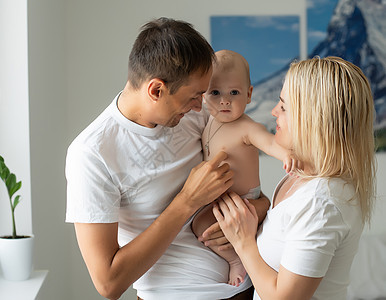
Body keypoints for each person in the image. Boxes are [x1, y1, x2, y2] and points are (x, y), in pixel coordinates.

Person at [65, 18, 270, 300]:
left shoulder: (195, 115)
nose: (201, 106)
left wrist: (259, 207)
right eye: (193, 97)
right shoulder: (92, 154)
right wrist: (187, 201)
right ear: (156, 90)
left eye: (203, 93)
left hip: (247, 289)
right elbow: (108, 283)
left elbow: (248, 186)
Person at [204, 56, 376, 300]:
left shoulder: (323, 201)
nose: (274, 111)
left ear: (314, 119)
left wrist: (242, 243)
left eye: (283, 107)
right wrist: (258, 206)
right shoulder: (298, 177)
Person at [191, 49, 298, 287]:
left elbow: (269, 142)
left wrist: (286, 155)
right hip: (220, 199)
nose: (224, 100)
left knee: (204, 226)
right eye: (215, 92)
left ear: (249, 94)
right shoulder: (208, 122)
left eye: (234, 92)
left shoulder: (247, 127)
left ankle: (236, 260)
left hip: (244, 199)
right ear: (204, 94)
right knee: (199, 225)